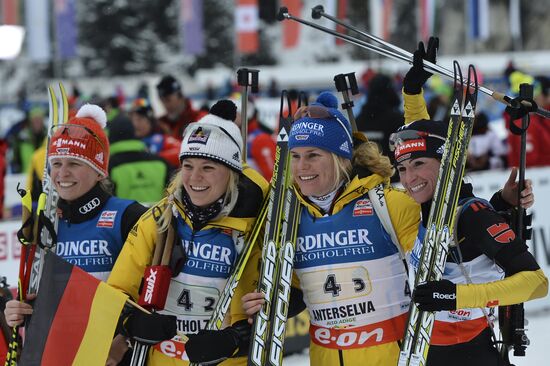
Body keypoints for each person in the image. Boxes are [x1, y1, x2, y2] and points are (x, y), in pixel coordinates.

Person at [396, 39, 548, 366]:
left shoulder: (473, 214)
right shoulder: (419, 206)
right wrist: (412, 93)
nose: (410, 178)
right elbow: (424, 142)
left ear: (448, 162)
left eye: (418, 166)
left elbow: (536, 284)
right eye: (402, 169)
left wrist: (455, 297)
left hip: (470, 350)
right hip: (423, 347)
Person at [244, 92, 421, 365]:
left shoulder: (389, 205)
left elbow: (433, 265)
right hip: (324, 357)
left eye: (314, 155)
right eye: (296, 156)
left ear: (340, 157)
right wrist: (268, 301)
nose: (302, 167)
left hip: (392, 355)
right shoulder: (287, 216)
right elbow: (289, 285)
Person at [107, 100, 269, 365]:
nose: (195, 178)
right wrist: (132, 321)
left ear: (230, 173)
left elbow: (260, 314)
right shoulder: (159, 220)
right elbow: (117, 289)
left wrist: (233, 341)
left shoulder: (250, 226)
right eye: (188, 166)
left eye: (208, 167)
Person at [3, 104, 147, 359]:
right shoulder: (43, 223)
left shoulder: (127, 216)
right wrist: (17, 310)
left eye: (74, 163)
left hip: (111, 356)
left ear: (99, 169)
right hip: (60, 353)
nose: (62, 173)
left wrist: (124, 343)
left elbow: (150, 298)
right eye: (56, 163)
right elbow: (35, 296)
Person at [108, 115, 172, 205]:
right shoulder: (161, 163)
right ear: (134, 133)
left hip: (125, 217)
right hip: (158, 217)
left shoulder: (109, 167)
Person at [230, 93, 276, 180]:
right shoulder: (238, 137)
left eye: (236, 114)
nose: (231, 118)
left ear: (246, 114)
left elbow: (273, 177)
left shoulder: (260, 139)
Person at [130, 98, 181, 168]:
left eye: (140, 119)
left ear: (150, 121)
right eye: (133, 120)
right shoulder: (128, 142)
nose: (135, 124)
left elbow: (182, 152)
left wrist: (155, 157)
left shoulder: (162, 139)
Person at [156, 75, 204, 139]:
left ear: (180, 96)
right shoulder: (160, 124)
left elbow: (199, 147)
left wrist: (171, 139)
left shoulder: (200, 120)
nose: (165, 105)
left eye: (168, 100)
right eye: (162, 101)